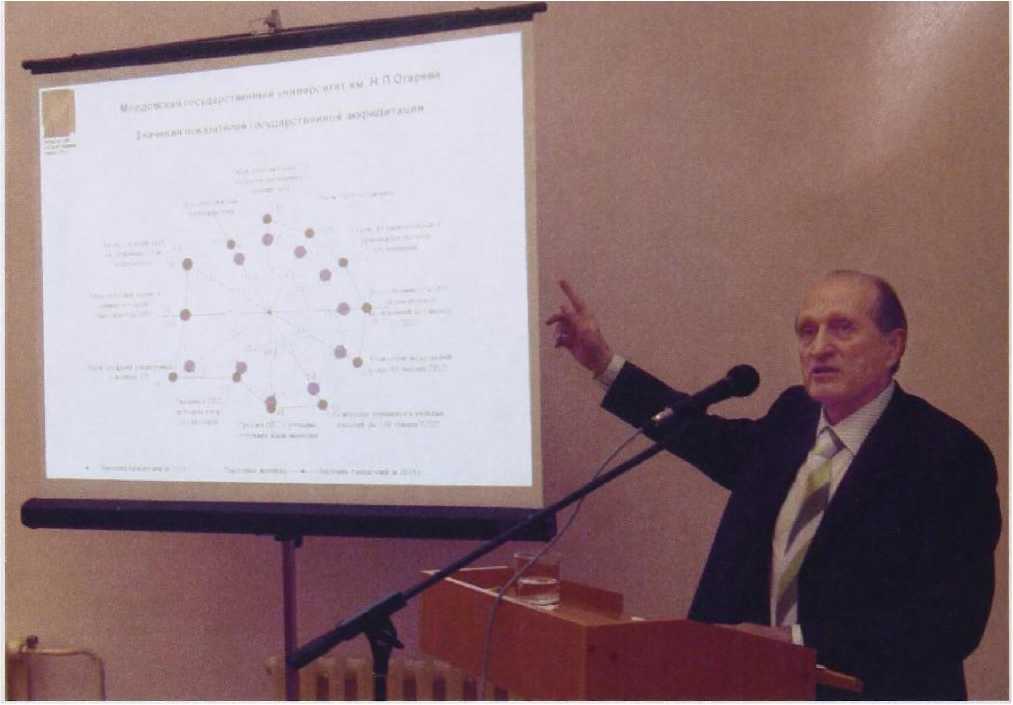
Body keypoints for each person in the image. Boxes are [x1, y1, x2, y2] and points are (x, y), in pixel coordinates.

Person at [547, 271, 1000, 700]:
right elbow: (704, 437)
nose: (819, 347)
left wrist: (797, 640)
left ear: (893, 345)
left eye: (842, 328)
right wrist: (603, 363)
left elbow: (952, 622)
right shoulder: (793, 416)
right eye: (807, 332)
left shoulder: (947, 456)